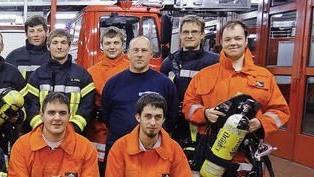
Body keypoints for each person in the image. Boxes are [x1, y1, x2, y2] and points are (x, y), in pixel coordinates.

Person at [182, 20, 290, 176]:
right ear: (221, 42)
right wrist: (205, 113)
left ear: (246, 41)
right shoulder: (204, 75)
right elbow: (188, 106)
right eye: (228, 39)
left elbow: (280, 110)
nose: (233, 43)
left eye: (237, 38)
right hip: (211, 152)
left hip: (246, 155)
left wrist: (260, 123)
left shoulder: (264, 77)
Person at [101, 36, 178, 161]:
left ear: (151, 54)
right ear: (128, 53)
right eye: (135, 50)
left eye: (144, 50)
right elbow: (106, 116)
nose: (139, 55)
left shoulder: (165, 83)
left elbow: (172, 117)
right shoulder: (113, 83)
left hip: (153, 152)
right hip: (118, 151)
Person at [9, 92, 99, 177]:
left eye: (62, 113)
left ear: (69, 116)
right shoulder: (22, 146)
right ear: (41, 115)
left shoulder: (86, 149)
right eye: (51, 113)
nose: (57, 118)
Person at [160, 15, 219, 143]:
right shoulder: (169, 63)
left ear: (202, 35)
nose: (190, 36)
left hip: (206, 125)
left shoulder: (215, 63)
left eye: (194, 32)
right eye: (186, 32)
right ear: (180, 35)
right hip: (175, 126)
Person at [24, 29, 95, 134]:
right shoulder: (37, 75)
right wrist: (41, 128)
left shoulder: (82, 75)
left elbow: (87, 107)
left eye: (63, 42)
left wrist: (73, 128)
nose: (59, 47)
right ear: (48, 47)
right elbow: (31, 106)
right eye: (55, 42)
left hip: (73, 135)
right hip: (43, 135)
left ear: (69, 46)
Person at [105, 93, 192, 176]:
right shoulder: (120, 149)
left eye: (158, 117)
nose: (153, 122)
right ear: (138, 117)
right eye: (148, 116)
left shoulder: (175, 151)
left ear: (163, 119)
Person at [83, 26, 130, 171]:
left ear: (123, 44)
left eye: (116, 43)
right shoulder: (91, 72)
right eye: (108, 43)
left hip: (125, 130)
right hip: (97, 131)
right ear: (102, 46)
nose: (112, 47)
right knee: (98, 168)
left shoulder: (132, 69)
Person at [6, 15, 50, 79]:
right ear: (26, 34)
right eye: (32, 31)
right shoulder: (14, 56)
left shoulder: (54, 56)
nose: (36, 35)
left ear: (47, 32)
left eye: (39, 30)